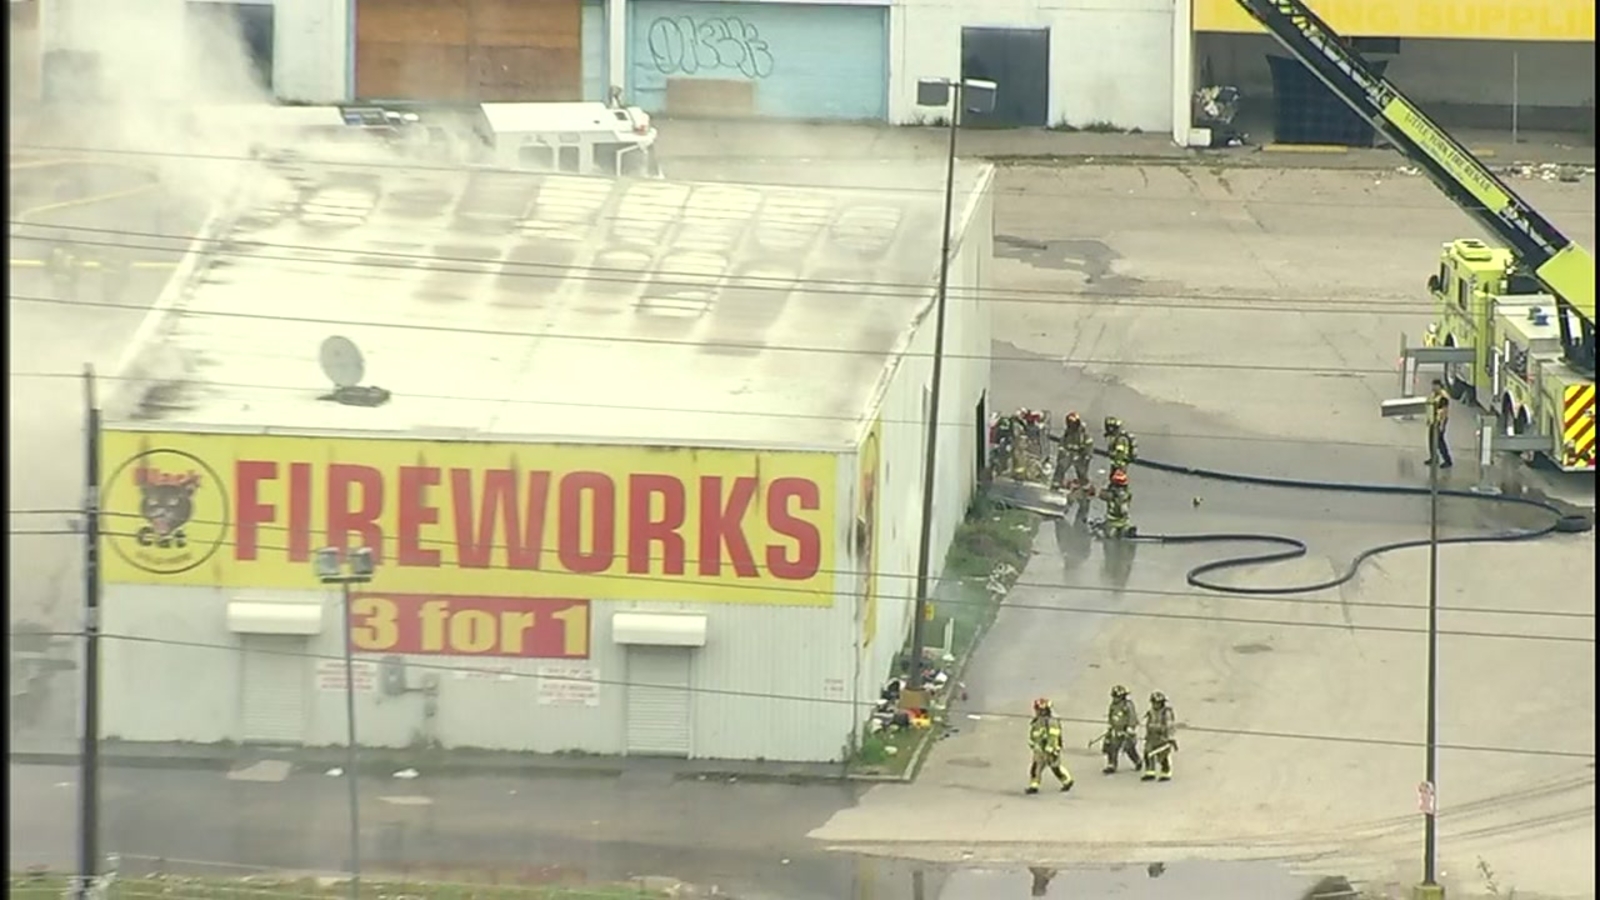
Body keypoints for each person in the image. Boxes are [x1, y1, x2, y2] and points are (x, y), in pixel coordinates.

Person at [1026, 697, 1075, 795]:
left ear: (1044, 710)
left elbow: (1053, 736)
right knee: (1035, 767)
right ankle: (1034, 785)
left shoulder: (1052, 722)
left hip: (1050, 750)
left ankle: (1067, 781)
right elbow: (1034, 733)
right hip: (1039, 750)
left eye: (1038, 710)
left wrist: (1050, 748)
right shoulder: (1037, 721)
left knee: (1055, 767)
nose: (1036, 711)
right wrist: (1032, 743)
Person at [1102, 685, 1142, 774]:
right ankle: (1111, 764)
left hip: (1126, 731)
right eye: (1114, 697)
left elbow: (1132, 716)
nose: (1115, 699)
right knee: (1112, 746)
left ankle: (1137, 761)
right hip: (1116, 730)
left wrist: (1130, 727)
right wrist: (1111, 725)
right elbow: (1111, 715)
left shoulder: (1128, 705)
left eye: (1117, 697)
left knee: (1129, 748)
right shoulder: (1113, 705)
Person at [1141, 690, 1177, 782]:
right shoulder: (1151, 712)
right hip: (1152, 737)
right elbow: (1148, 724)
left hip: (1163, 738)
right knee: (1147, 753)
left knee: (1163, 756)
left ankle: (1166, 772)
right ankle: (1150, 772)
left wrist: (1170, 738)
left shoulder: (1166, 713)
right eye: (1154, 703)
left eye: (1158, 703)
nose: (1155, 705)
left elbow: (1170, 726)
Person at [1053, 411, 1095, 491]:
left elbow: (1089, 445)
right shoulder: (1067, 432)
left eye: (1073, 423)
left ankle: (1085, 489)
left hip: (1080, 455)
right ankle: (1056, 485)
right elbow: (1062, 442)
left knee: (1082, 472)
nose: (1071, 425)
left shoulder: (1083, 434)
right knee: (1060, 468)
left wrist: (1087, 455)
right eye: (1069, 422)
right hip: (1068, 454)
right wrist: (1061, 452)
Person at [1426, 379, 1453, 469]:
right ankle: (1434, 457)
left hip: (1439, 420)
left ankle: (1447, 460)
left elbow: (1444, 410)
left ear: (1438, 386)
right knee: (1431, 439)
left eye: (1434, 386)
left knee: (1439, 441)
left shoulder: (1443, 396)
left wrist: (1442, 424)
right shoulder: (1434, 394)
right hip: (1433, 420)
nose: (1432, 388)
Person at [1099, 469, 1134, 538]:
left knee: (1125, 529)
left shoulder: (1125, 495)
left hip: (1123, 520)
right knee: (1111, 534)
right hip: (1112, 520)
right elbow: (1102, 495)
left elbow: (1124, 509)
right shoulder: (1111, 494)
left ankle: (1128, 531)